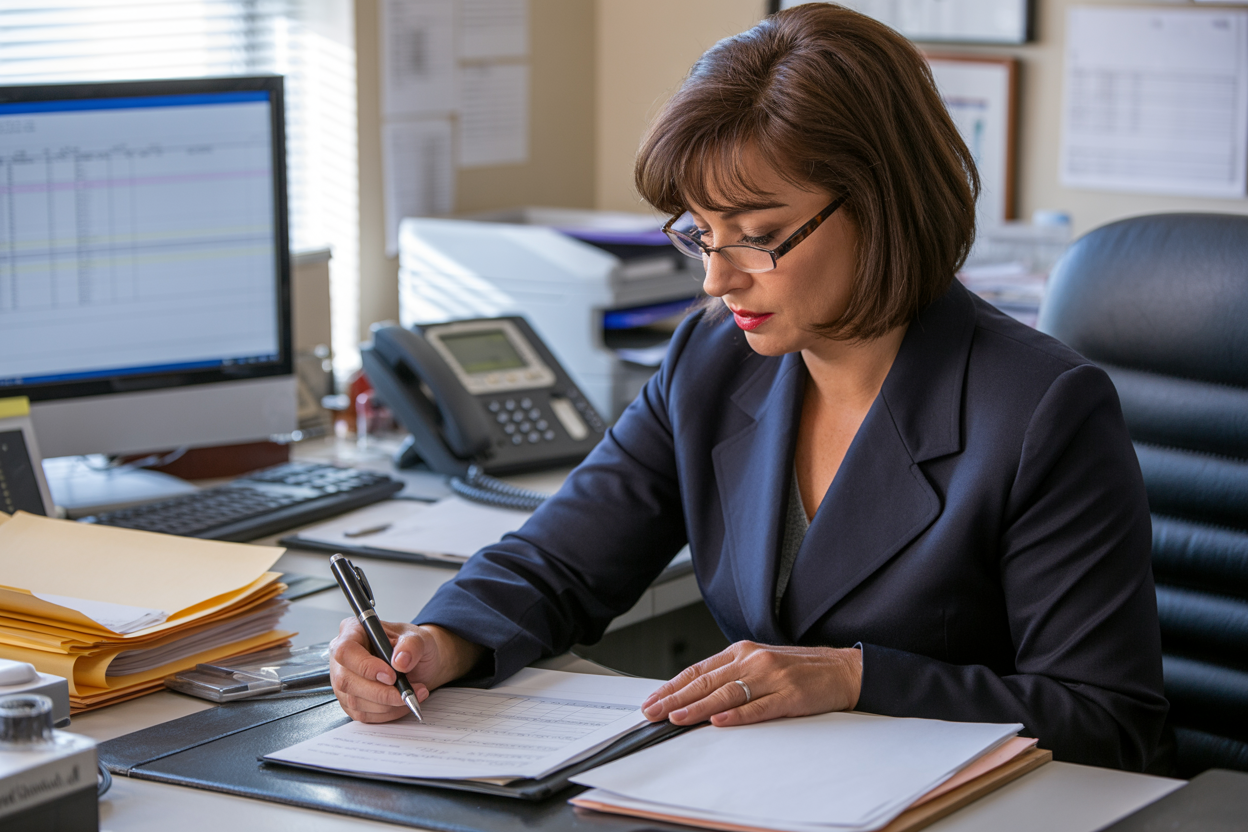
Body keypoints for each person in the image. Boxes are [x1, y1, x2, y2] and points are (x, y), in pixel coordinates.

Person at [330, 4, 1170, 773]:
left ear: (881, 206)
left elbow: (1109, 720)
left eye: (758, 237)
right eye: (701, 234)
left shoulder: (1039, 410)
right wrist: (442, 640)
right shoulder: (714, 358)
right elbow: (561, 562)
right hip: (753, 791)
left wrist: (855, 678)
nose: (717, 279)